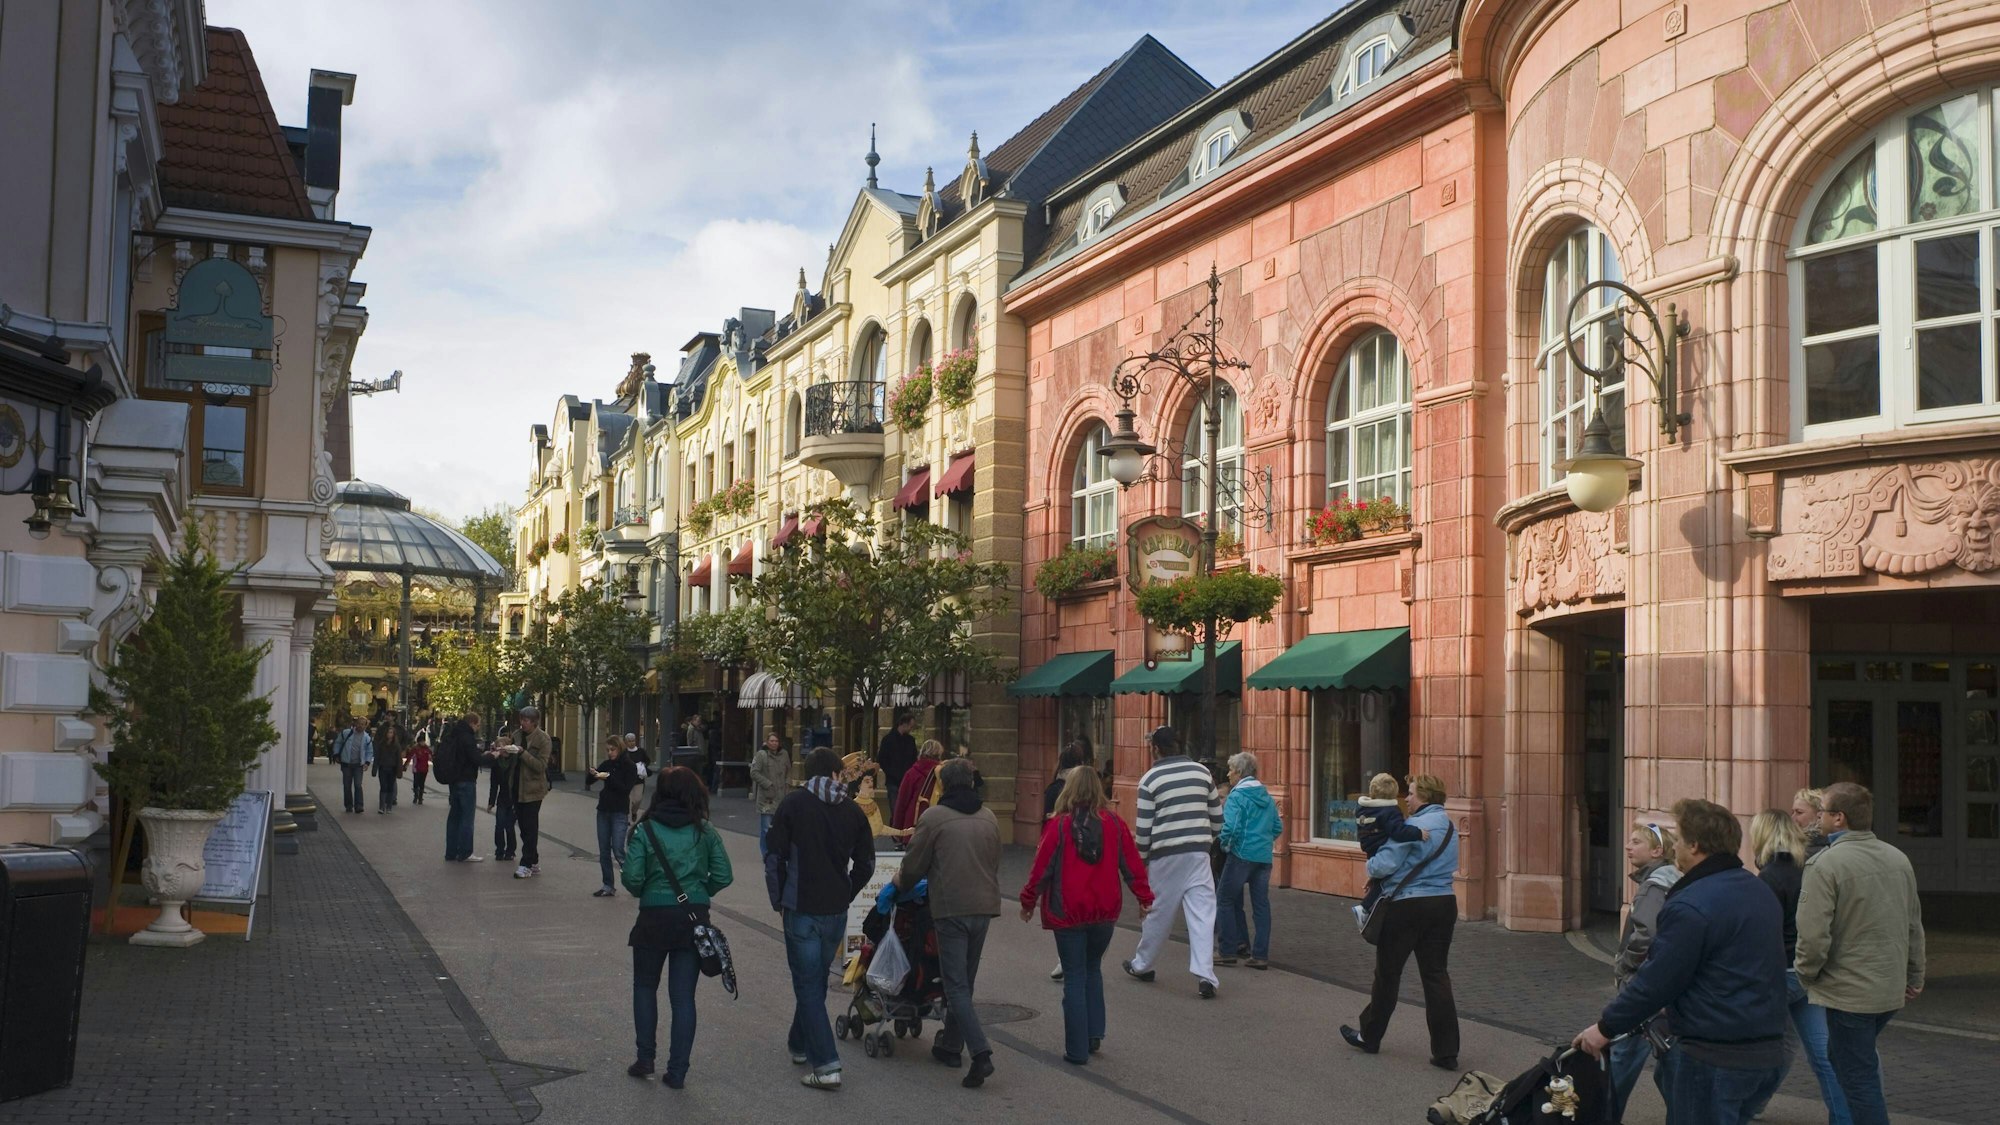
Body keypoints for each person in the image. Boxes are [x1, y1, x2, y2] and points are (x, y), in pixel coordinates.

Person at [1572, 798, 1788, 1125]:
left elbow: (1656, 980)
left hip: (1713, 1056)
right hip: (1763, 1050)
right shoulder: (1757, 890)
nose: (1676, 848)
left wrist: (1604, 1028)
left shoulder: (1691, 903)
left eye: (1681, 839)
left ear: (1695, 845)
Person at [1795, 782, 1926, 1125]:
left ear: (1839, 818)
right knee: (1845, 1060)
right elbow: (1914, 924)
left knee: (1858, 1077)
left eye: (1822, 811)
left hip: (1848, 993)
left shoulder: (1826, 864)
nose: (1818, 817)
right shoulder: (1897, 858)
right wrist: (1915, 975)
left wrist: (1805, 975)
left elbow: (1812, 935)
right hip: (1888, 988)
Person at [1020, 764, 1153, 1065]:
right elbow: (1132, 866)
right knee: (1092, 969)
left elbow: (1041, 869)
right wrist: (1144, 898)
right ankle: (1094, 1035)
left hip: (1068, 912)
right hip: (1104, 912)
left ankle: (1076, 1049)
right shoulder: (1115, 824)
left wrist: (1028, 902)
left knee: (1075, 976)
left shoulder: (1059, 826)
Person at [764, 747, 876, 1091]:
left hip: (801, 907)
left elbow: (774, 857)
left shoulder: (793, 806)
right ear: (835, 774)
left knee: (808, 984)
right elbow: (867, 864)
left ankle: (827, 1065)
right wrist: (847, 892)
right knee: (813, 982)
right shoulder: (852, 812)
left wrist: (778, 898)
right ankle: (799, 1044)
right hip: (835, 910)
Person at [895, 758, 1002, 1088]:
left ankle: (980, 1053)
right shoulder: (989, 817)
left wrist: (898, 885)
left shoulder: (935, 817)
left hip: (951, 908)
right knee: (963, 984)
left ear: (943, 785)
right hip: (984, 907)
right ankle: (951, 1046)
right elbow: (994, 859)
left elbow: (914, 865)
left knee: (955, 986)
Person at [623, 766, 733, 1089]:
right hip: (692, 920)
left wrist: (648, 891)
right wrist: (700, 894)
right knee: (683, 997)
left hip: (653, 920)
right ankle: (678, 1071)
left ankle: (645, 1059)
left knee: (645, 987)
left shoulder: (646, 831)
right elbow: (724, 875)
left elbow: (631, 879)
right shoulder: (705, 830)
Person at [1342, 774, 1461, 1068]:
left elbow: (1385, 864)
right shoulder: (1449, 826)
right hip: (1444, 903)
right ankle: (1446, 1052)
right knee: (1436, 975)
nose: (1406, 799)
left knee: (1388, 974)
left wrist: (1370, 866)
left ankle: (1370, 1036)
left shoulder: (1411, 827)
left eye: (1410, 794)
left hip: (1407, 905)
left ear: (1425, 796)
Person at [1748, 809, 1849, 1125]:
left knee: (1761, 1047)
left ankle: (1745, 1106)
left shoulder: (1770, 877)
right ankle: (1844, 1118)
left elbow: (1763, 933)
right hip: (1808, 971)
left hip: (1781, 973)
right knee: (1821, 1054)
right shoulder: (1808, 869)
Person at [1123, 726, 1222, 1000]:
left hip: (1165, 855)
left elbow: (1144, 830)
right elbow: (1217, 819)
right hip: (1198, 853)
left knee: (1159, 912)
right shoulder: (1202, 773)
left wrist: (1140, 863)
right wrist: (1207, 841)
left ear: (1155, 749)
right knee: (1203, 913)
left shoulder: (1149, 780)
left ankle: (1142, 964)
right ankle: (1206, 976)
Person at [1607, 821, 1683, 1123]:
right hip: (1662, 985)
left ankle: (1602, 1115)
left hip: (1643, 986)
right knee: (1669, 1066)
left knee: (1623, 1056)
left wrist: (1626, 965)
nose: (1628, 846)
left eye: (1636, 841)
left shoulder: (1654, 885)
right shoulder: (1670, 878)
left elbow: (1646, 934)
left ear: (1657, 850)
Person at [1215, 752, 1282, 969]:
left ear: (1240, 772)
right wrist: (1262, 841)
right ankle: (1259, 954)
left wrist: (1225, 845)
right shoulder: (1267, 797)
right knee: (1261, 905)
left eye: (1231, 770)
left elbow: (1230, 828)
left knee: (1224, 899)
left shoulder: (1237, 796)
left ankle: (1227, 950)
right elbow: (1277, 828)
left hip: (1241, 855)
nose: (1228, 774)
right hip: (1263, 857)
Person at [1354, 772, 1426, 926]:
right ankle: (1365, 908)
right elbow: (1398, 832)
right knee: (1385, 882)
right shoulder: (1390, 812)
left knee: (1379, 880)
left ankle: (1370, 911)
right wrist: (1418, 833)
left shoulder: (1363, 809)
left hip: (1370, 848)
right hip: (1383, 848)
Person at [1043, 744, 1087, 983]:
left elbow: (1046, 828)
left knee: (1063, 906)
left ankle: (1067, 957)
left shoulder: (1054, 789)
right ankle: (1078, 956)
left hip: (1062, 857)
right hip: (1089, 856)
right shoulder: (1088, 789)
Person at [587, 734, 641, 897]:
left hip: (619, 811)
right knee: (604, 851)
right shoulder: (607, 764)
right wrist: (593, 773)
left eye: (613, 749)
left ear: (620, 748)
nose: (610, 753)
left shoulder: (629, 766)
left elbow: (625, 789)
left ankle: (635, 881)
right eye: (608, 750)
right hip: (603, 810)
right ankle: (608, 885)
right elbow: (589, 782)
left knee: (618, 849)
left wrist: (609, 778)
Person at [435, 711, 484, 862]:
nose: (478, 728)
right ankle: (465, 852)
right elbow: (475, 759)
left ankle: (451, 852)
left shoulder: (453, 733)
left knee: (454, 817)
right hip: (466, 780)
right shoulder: (467, 737)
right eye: (478, 725)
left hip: (454, 779)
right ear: (473, 723)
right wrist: (491, 756)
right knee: (467, 817)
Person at [511, 707, 553, 879]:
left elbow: (541, 766)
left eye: (526, 720)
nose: (523, 723)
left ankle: (526, 864)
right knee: (523, 827)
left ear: (535, 722)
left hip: (533, 789)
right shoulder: (517, 735)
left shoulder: (543, 739)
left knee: (530, 826)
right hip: (516, 786)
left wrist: (523, 753)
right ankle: (534, 859)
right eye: (521, 719)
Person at [749, 733, 792, 857]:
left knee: (781, 828)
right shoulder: (761, 755)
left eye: (776, 741)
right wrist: (767, 784)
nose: (774, 743)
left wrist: (788, 783)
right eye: (772, 741)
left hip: (781, 797)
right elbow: (754, 772)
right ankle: (766, 853)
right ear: (767, 742)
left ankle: (778, 852)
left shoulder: (784, 754)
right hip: (767, 799)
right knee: (766, 829)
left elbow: (789, 770)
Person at [891, 739, 946, 831]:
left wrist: (897, 827)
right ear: (939, 754)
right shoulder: (944, 773)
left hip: (914, 823)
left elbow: (902, 802)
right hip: (937, 823)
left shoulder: (912, 773)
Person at [486, 733, 519, 862]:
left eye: (503, 747)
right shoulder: (496, 764)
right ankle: (499, 850)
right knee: (499, 825)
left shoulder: (515, 763)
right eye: (498, 748)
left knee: (509, 826)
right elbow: (494, 784)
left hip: (513, 799)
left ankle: (510, 851)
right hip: (502, 798)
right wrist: (491, 802)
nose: (501, 750)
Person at [877, 712, 918, 815]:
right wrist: (891, 772)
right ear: (904, 724)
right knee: (895, 811)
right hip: (893, 782)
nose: (911, 729)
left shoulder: (910, 741)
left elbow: (914, 759)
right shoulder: (888, 740)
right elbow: (881, 759)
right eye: (910, 726)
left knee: (905, 811)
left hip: (906, 780)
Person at [333, 714, 373, 815]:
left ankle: (359, 805)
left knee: (358, 785)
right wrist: (336, 754)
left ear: (366, 726)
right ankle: (348, 805)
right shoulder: (347, 733)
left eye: (363, 724)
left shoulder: (367, 738)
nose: (360, 726)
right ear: (355, 723)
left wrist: (367, 762)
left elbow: (369, 751)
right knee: (347, 785)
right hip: (346, 763)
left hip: (358, 764)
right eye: (359, 723)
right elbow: (338, 743)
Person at [371, 720, 403, 814]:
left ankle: (389, 806)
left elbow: (399, 760)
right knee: (383, 787)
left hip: (392, 769)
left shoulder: (396, 746)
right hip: (383, 768)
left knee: (390, 788)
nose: (390, 734)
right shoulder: (381, 744)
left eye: (392, 732)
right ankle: (381, 806)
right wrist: (374, 769)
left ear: (394, 734)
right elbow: (377, 757)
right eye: (389, 732)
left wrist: (399, 771)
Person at [1792, 787, 1831, 858]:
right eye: (1793, 812)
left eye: (1799, 812)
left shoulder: (1828, 847)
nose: (1793, 818)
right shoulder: (1788, 844)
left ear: (1819, 815)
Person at [625, 733, 650, 823]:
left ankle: (634, 812)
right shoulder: (624, 752)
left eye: (633, 741)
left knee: (637, 799)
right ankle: (627, 818)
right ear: (626, 742)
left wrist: (642, 765)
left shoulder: (641, 751)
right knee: (628, 800)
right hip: (627, 780)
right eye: (629, 741)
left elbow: (647, 760)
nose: (632, 743)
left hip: (639, 779)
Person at [408, 732, 432, 805]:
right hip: (416, 769)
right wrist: (405, 766)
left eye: (424, 741)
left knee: (422, 783)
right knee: (416, 783)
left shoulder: (427, 749)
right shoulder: (415, 749)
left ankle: (420, 798)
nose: (423, 743)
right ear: (418, 742)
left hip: (424, 769)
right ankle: (416, 795)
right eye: (421, 741)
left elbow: (431, 756)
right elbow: (409, 757)